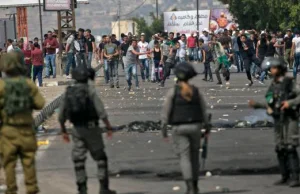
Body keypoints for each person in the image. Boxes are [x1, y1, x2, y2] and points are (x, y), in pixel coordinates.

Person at [59, 67, 116, 194]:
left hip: (76, 130)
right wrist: (108, 127)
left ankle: (82, 189)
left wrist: (63, 131)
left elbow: (61, 116)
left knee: (79, 160)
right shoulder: (90, 91)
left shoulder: (69, 92)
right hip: (92, 129)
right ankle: (103, 188)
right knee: (101, 158)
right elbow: (101, 111)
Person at [249, 57, 300, 187]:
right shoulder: (274, 84)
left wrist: (290, 103)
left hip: (290, 118)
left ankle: (295, 176)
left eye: (273, 68)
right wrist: (257, 105)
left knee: (290, 146)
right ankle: (285, 175)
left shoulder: (289, 83)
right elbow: (270, 102)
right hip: (278, 118)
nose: (271, 70)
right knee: (280, 147)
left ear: (280, 69)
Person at [0, 52, 45, 194]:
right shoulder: (28, 83)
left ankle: (11, 189)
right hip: (26, 130)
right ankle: (31, 189)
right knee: (28, 162)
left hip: (8, 130)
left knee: (9, 163)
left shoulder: (1, 86)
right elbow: (40, 103)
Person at [161, 62, 210, 194]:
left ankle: (189, 186)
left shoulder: (173, 92)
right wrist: (207, 127)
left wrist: (164, 130)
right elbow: (204, 110)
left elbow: (166, 113)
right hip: (196, 126)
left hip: (179, 127)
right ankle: (195, 185)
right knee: (194, 157)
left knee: (184, 157)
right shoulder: (195, 91)